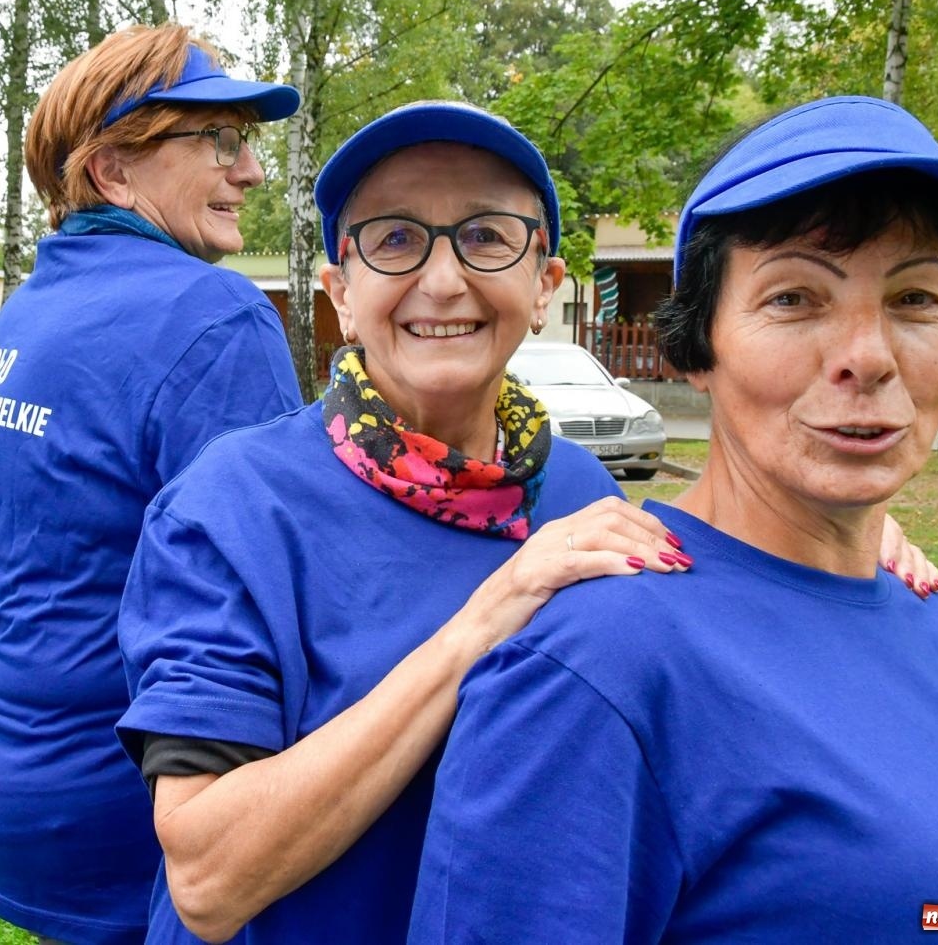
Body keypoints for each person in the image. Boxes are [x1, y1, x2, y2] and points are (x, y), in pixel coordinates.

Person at [409, 96, 938, 943]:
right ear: (697, 350)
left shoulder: (922, 613)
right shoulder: (597, 672)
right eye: (796, 298)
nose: (868, 357)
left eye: (916, 299)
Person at [114, 100, 706, 944]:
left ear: (544, 285)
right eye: (394, 239)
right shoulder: (231, 509)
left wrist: (846, 548)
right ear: (341, 294)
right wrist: (484, 622)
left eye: (487, 236)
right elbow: (208, 879)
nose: (442, 279)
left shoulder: (571, 484)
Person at [0, 24, 303, 945]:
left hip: (10, 765)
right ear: (112, 172)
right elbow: (279, 587)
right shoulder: (215, 313)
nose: (252, 171)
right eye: (219, 139)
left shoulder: (30, 307)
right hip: (139, 805)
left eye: (248, 140)